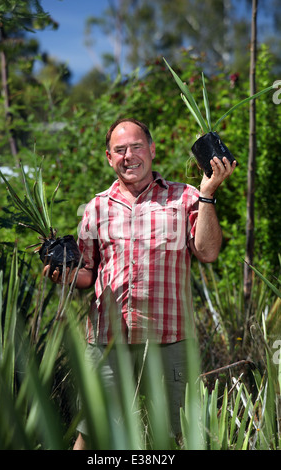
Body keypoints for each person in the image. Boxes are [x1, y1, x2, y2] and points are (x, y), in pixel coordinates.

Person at [46, 118, 237, 449]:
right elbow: (87, 274)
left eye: (136, 147)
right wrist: (65, 274)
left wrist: (207, 194)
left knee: (175, 435)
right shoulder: (95, 208)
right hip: (108, 340)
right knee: (90, 432)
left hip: (169, 338)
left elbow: (207, 252)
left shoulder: (184, 197)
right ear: (109, 157)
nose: (128, 155)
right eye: (120, 150)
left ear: (151, 150)